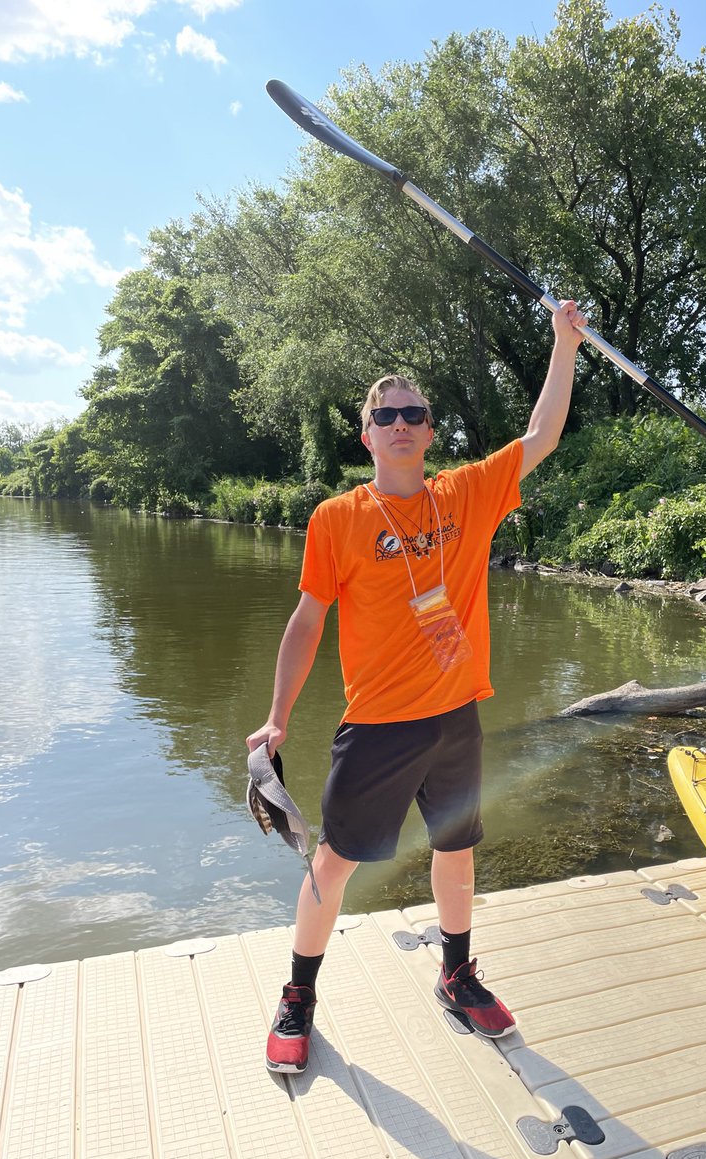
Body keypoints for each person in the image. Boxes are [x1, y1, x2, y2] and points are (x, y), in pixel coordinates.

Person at [247, 299, 587, 1073]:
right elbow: (306, 623)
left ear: (430, 432)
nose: (400, 424)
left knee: (457, 852)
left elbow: (542, 435)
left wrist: (563, 343)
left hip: (457, 716)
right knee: (334, 861)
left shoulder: (466, 494)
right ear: (367, 435)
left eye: (414, 413)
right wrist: (276, 718)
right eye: (385, 415)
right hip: (379, 724)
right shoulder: (337, 519)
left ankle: (456, 972)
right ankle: (299, 994)